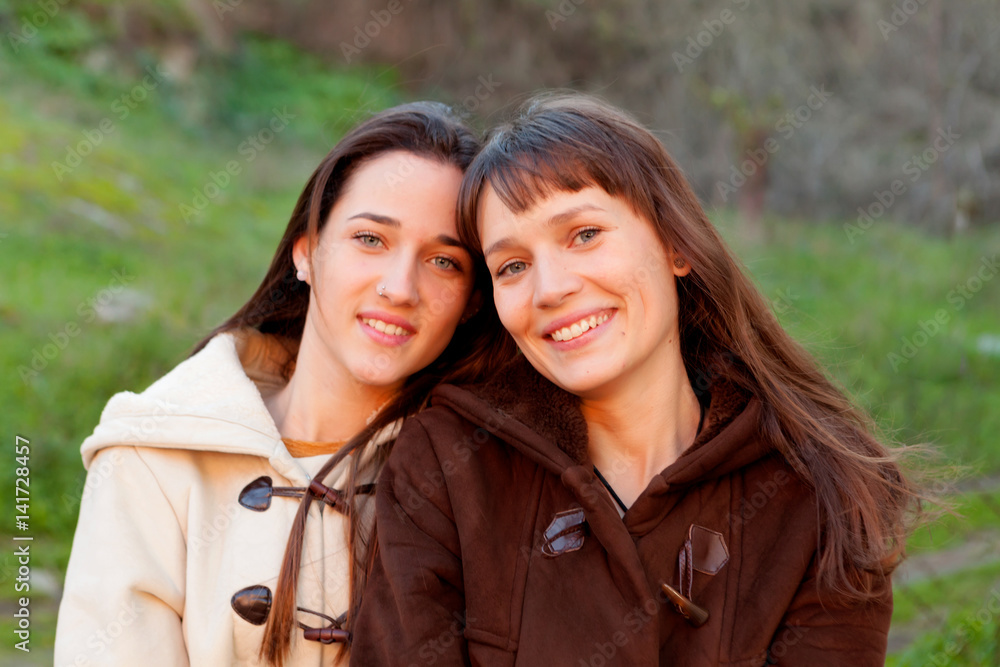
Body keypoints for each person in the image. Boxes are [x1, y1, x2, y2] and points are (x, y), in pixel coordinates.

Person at [351, 94, 917, 666]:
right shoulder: (447, 466)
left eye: (584, 234)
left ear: (676, 244)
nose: (550, 289)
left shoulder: (816, 495)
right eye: (513, 266)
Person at [54, 101, 515, 667]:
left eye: (444, 261)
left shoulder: (484, 474)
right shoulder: (153, 456)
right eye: (371, 239)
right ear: (307, 252)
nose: (400, 288)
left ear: (473, 301)